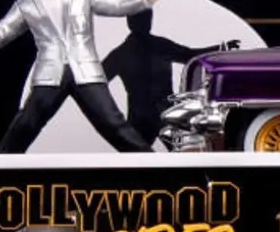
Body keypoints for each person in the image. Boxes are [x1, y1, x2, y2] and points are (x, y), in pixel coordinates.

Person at [0, 0, 168, 152]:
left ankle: (150, 161)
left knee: (113, 124)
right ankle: (0, 165)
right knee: (26, 124)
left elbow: (116, 6)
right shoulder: (26, 3)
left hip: (85, 70)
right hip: (50, 73)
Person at [101, 8, 240, 146]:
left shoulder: (153, 47)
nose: (146, 23)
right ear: (130, 22)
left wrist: (221, 48)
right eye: (142, 19)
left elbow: (189, 55)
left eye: (147, 19)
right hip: (146, 116)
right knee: (139, 156)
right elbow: (99, 81)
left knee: (177, 151)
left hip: (161, 114)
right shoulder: (126, 53)